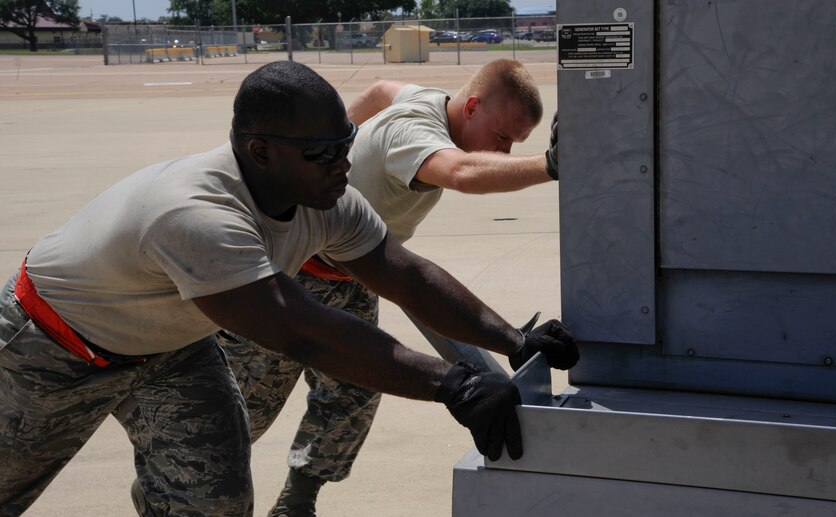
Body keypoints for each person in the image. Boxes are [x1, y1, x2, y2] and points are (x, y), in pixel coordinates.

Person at [0, 61, 577, 517]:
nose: (342, 165)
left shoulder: (324, 193)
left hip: (170, 352)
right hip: (49, 346)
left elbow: (404, 274)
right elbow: (301, 331)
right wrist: (454, 385)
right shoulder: (198, 215)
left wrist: (514, 341)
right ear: (261, 152)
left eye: (345, 144)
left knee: (215, 503)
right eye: (321, 153)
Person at [219, 59, 563, 516]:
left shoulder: (429, 99)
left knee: (353, 392)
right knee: (243, 410)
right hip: (295, 269)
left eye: (513, 145)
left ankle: (295, 504)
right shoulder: (417, 135)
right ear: (474, 107)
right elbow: (460, 172)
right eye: (502, 138)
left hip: (354, 270)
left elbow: (382, 89)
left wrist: (336, 143)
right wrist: (549, 164)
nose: (501, 153)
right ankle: (178, 497)